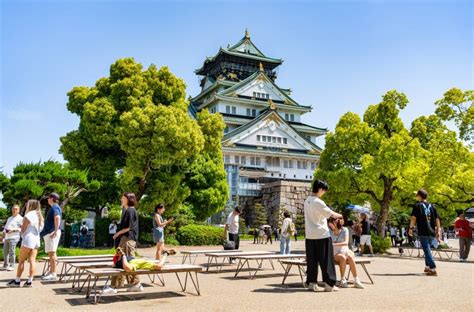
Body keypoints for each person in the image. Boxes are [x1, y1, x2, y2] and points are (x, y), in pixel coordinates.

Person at [304, 180, 343, 292]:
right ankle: (329, 284)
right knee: (326, 260)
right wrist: (340, 215)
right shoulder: (318, 202)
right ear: (320, 189)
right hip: (322, 235)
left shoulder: (307, 201)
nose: (324, 193)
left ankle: (311, 283)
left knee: (312, 260)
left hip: (310, 235)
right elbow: (330, 214)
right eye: (324, 191)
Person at [103, 192, 141, 294]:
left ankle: (114, 286)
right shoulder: (128, 210)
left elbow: (129, 227)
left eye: (123, 198)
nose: (121, 199)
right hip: (127, 239)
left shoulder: (130, 211)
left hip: (127, 240)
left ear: (129, 199)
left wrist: (117, 234)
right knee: (126, 263)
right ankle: (135, 284)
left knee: (122, 262)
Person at [7, 200, 43, 287]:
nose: (26, 204)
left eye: (28, 203)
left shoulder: (29, 214)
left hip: (28, 239)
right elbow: (41, 229)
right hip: (36, 239)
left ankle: (17, 281)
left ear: (31, 205)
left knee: (21, 261)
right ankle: (29, 281)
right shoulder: (40, 216)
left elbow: (23, 228)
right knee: (32, 260)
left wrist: (23, 236)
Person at [409, 189, 441, 276]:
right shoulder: (433, 206)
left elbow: (413, 218)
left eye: (417, 196)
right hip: (431, 231)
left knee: (427, 250)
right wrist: (438, 230)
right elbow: (437, 220)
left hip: (423, 231)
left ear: (420, 196)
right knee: (428, 250)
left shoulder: (417, 206)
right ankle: (427, 267)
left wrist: (410, 228)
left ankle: (433, 268)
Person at [327, 217, 364, 289]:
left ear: (336, 223)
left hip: (344, 250)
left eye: (331, 223)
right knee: (342, 257)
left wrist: (333, 244)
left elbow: (345, 243)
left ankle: (356, 280)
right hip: (335, 252)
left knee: (350, 256)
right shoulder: (329, 231)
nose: (329, 225)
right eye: (329, 223)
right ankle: (343, 279)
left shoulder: (344, 230)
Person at [41, 193, 62, 281]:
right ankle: (52, 271)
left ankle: (53, 273)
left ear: (52, 198)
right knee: (52, 253)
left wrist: (55, 231)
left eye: (49, 198)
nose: (47, 199)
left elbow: (57, 217)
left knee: (52, 253)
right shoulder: (54, 207)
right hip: (51, 232)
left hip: (52, 233)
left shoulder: (55, 207)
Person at [3, 204, 23, 271]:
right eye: (13, 209)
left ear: (18, 210)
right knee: (5, 252)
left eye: (16, 209)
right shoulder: (9, 218)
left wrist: (13, 230)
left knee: (12, 251)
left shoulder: (20, 218)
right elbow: (5, 227)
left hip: (14, 237)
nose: (14, 210)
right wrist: (4, 231)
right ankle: (5, 265)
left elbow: (22, 228)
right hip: (7, 237)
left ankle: (12, 265)